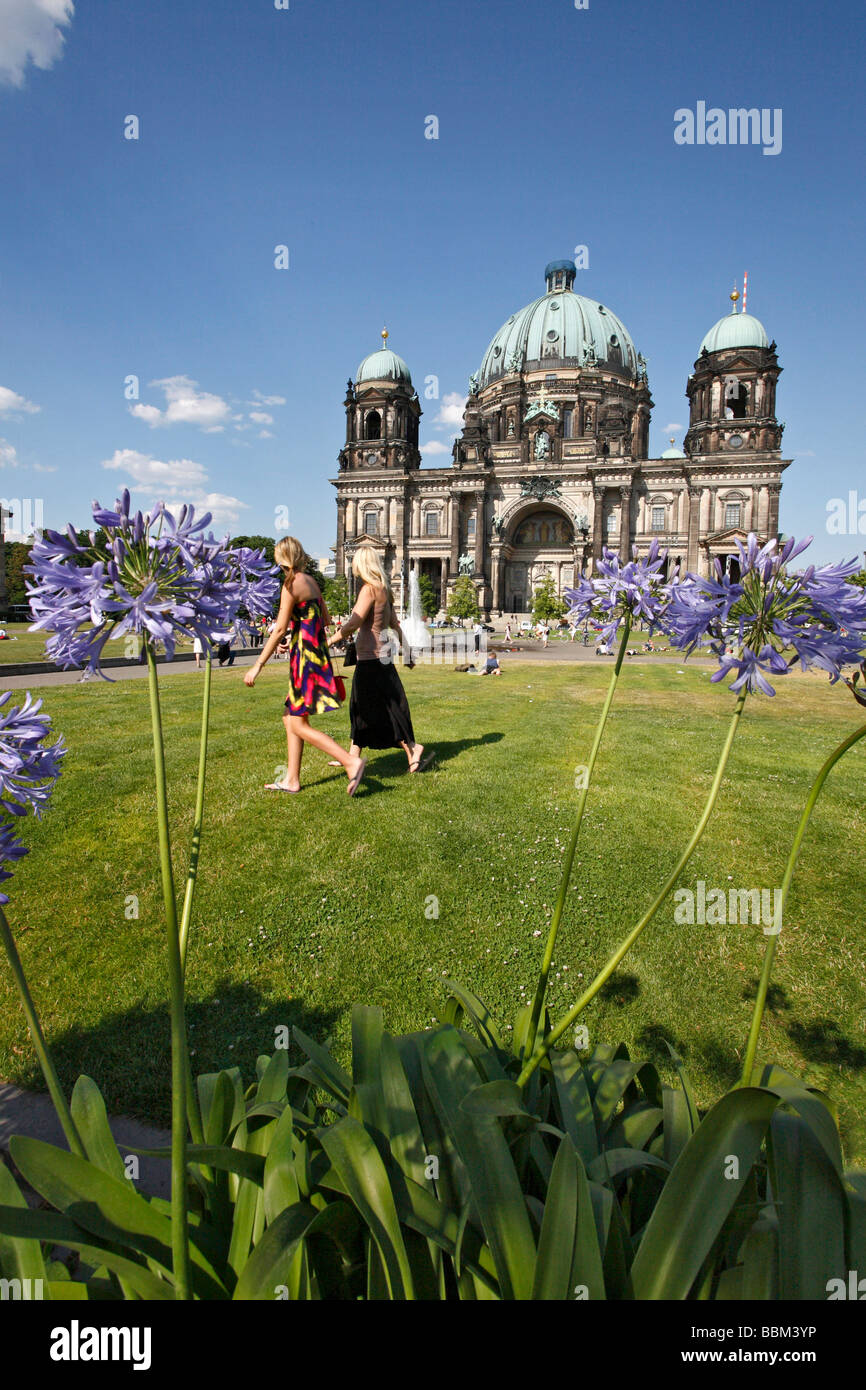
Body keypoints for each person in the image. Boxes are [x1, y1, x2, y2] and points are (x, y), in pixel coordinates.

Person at [243, 537, 366, 796]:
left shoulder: (290, 584)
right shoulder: (311, 581)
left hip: (305, 659)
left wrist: (257, 665)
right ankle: (291, 779)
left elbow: (277, 629)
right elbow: (325, 619)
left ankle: (350, 761)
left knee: (298, 724)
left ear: (282, 558)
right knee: (291, 717)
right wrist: (295, 635)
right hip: (315, 652)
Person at [332, 545, 430, 773]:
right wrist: (407, 652)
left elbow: (354, 622)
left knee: (377, 707)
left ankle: (413, 748)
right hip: (381, 657)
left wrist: (327, 641)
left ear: (361, 564)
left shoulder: (368, 590)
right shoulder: (385, 589)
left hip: (371, 658)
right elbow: (395, 625)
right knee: (367, 706)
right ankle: (353, 756)